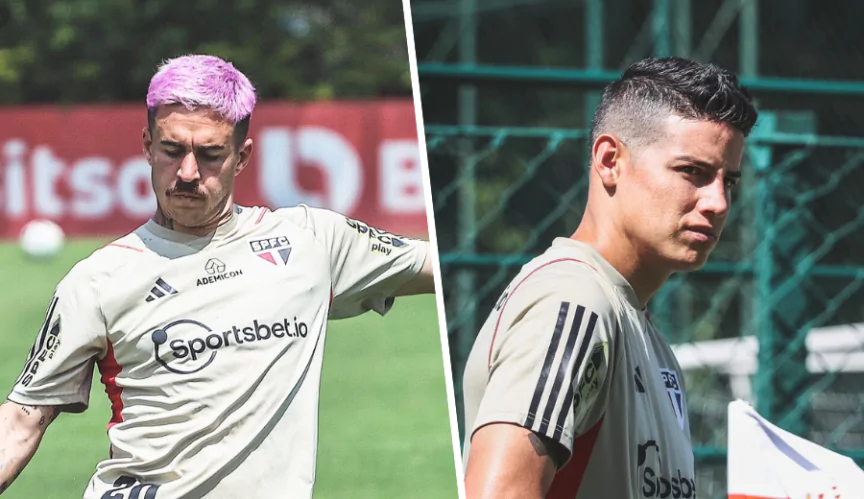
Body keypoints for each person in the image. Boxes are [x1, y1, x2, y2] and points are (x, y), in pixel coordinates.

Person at [0, 54, 435, 498]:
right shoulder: (97, 280)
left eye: (210, 155)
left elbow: (438, 263)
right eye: (172, 151)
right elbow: (19, 424)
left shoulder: (312, 243)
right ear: (148, 146)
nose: (188, 173)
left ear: (241, 157)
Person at [461, 57, 758, 498]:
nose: (717, 202)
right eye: (692, 172)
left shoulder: (636, 325)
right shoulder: (574, 303)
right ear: (609, 160)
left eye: (728, 181)